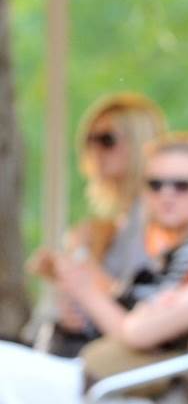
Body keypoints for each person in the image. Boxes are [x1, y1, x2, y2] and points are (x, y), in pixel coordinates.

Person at [0, 122, 188, 404]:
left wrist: (87, 288)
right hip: (129, 382)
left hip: (156, 392)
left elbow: (139, 332)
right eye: (155, 184)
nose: (169, 193)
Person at [26, 92, 168, 356]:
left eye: (106, 140)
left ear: (140, 142)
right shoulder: (118, 220)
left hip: (124, 359)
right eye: (89, 140)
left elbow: (133, 296)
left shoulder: (154, 214)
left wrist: (80, 258)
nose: (94, 150)